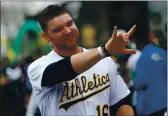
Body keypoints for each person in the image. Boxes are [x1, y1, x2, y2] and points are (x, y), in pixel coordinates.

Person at [28, 4, 137, 116]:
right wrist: (103, 51)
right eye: (58, 29)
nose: (68, 31)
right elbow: (61, 70)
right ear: (46, 37)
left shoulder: (104, 60)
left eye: (70, 24)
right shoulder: (38, 67)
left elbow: (121, 102)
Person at [134, 30, 167, 115]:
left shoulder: (143, 57)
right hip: (164, 103)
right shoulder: (163, 53)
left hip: (149, 106)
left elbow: (139, 83)